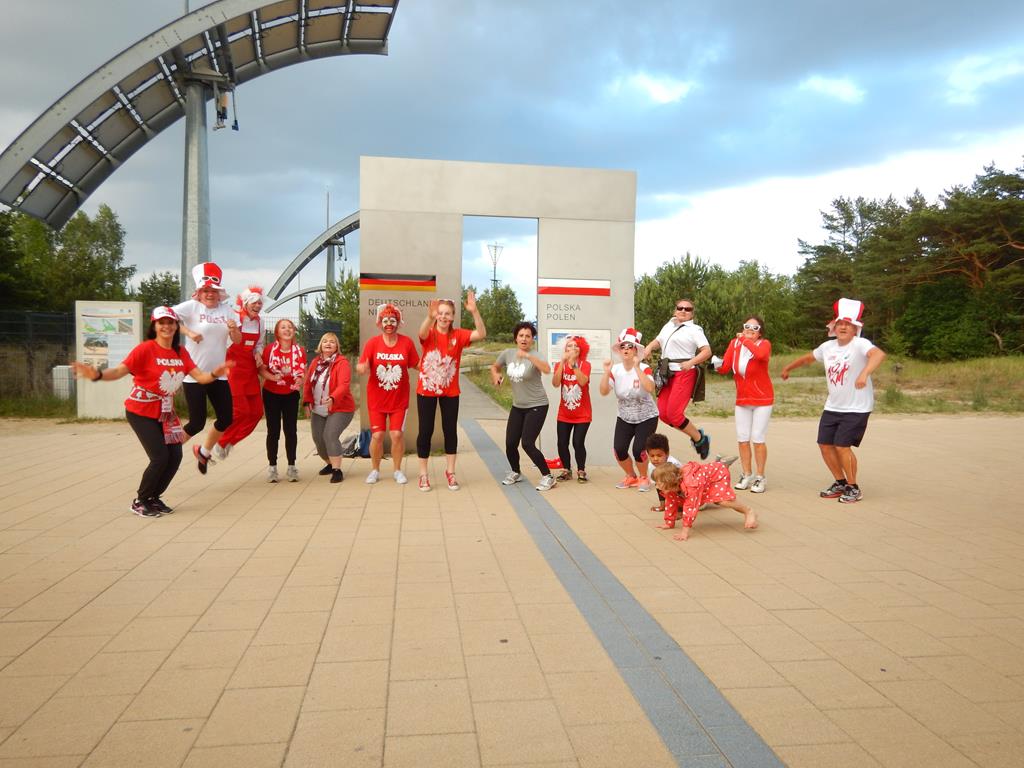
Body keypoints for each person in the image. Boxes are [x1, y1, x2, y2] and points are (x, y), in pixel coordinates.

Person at [70, 307, 232, 517]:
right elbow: (119, 371)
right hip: (141, 411)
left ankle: (154, 498)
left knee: (175, 456)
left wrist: (215, 373)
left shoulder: (181, 352)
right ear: (154, 326)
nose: (166, 326)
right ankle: (140, 500)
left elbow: (200, 377)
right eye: (161, 323)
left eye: (170, 322)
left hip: (165, 413)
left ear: (176, 326)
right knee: (160, 457)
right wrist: (97, 375)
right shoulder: (145, 349)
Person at [781, 298, 887, 504]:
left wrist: (864, 373)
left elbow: (878, 355)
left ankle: (853, 487)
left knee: (842, 446)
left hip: (857, 407)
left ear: (855, 328)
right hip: (833, 406)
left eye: (848, 324)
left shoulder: (860, 344)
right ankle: (840, 482)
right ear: (834, 327)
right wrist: (788, 368)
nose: (843, 327)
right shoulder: (827, 347)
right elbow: (807, 358)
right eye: (840, 324)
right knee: (824, 444)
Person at [173, 262, 240, 475]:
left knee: (226, 418)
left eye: (214, 291)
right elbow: (165, 318)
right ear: (199, 293)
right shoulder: (191, 307)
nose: (210, 294)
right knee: (196, 423)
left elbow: (237, 340)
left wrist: (233, 330)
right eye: (206, 291)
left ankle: (203, 451)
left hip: (218, 375)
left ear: (220, 294)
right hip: (195, 375)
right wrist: (189, 332)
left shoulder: (227, 310)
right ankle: (168, 451)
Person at [415, 292, 486, 491]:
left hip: (450, 391)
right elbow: (421, 333)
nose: (443, 317)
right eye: (440, 313)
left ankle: (451, 472)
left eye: (447, 313)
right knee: (425, 431)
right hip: (426, 390)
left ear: (453, 316)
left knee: (450, 431)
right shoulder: (430, 332)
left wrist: (475, 311)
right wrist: (429, 317)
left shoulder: (458, 335)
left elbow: (481, 334)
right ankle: (423, 475)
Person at [357, 303, 420, 485]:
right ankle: (375, 470)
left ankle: (397, 470)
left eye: (392, 320)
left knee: (396, 435)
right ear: (380, 323)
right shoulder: (372, 343)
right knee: (377, 436)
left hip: (399, 399)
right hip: (377, 399)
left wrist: (431, 366)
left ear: (398, 323)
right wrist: (361, 368)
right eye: (385, 321)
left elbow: (416, 364)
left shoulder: (406, 342)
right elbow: (362, 364)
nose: (389, 324)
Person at [642, 298, 712, 460]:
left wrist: (691, 362)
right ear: (675, 310)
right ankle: (696, 435)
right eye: (680, 308)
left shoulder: (695, 329)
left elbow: (707, 351)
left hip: (683, 372)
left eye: (688, 309)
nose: (683, 311)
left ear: (692, 313)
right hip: (667, 372)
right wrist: (649, 347)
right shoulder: (669, 324)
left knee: (674, 414)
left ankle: (700, 439)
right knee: (663, 414)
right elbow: (659, 340)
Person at [492, 321, 555, 492]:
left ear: (532, 339)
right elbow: (495, 367)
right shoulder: (508, 353)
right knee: (510, 443)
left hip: (538, 405)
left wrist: (529, 357)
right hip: (518, 406)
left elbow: (547, 369)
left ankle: (548, 476)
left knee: (527, 443)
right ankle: (515, 472)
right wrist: (496, 375)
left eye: (528, 336)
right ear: (516, 338)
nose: (524, 339)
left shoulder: (537, 355)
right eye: (521, 335)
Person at [714, 315, 774, 493]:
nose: (749, 329)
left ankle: (760, 477)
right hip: (742, 399)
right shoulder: (735, 343)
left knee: (758, 438)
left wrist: (744, 340)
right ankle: (746, 474)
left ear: (760, 332)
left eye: (755, 328)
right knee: (742, 438)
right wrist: (716, 365)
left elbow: (760, 355)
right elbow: (725, 367)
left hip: (762, 399)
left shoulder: (764, 344)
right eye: (747, 326)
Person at [599, 328, 660, 491]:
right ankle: (631, 476)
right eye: (623, 346)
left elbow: (650, 388)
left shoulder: (644, 367)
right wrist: (606, 372)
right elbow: (603, 391)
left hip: (647, 417)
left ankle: (644, 477)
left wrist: (637, 368)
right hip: (625, 417)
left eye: (630, 346)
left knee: (639, 449)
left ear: (636, 350)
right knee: (619, 449)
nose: (626, 349)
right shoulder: (615, 370)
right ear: (619, 350)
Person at [212, 286, 266, 463]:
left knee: (256, 413)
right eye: (254, 303)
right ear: (245, 303)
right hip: (233, 371)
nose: (257, 306)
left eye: (260, 303)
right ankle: (220, 441)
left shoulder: (261, 322)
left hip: (250, 370)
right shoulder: (234, 318)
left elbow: (259, 343)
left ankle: (228, 443)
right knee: (241, 411)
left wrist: (258, 353)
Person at [652, 461, 758, 541]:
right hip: (705, 481)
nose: (656, 486)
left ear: (669, 482)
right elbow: (670, 502)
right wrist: (669, 523)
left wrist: (684, 532)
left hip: (717, 474)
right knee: (676, 497)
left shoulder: (691, 485)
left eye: (658, 483)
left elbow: (691, 507)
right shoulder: (672, 487)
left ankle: (748, 511)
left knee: (722, 501)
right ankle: (723, 462)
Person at [302, 332, 355, 484]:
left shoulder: (342, 362)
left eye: (332, 341)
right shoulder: (315, 362)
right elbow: (308, 384)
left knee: (330, 435)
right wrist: (306, 402)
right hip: (318, 408)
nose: (328, 344)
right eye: (325, 341)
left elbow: (344, 385)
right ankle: (330, 464)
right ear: (321, 345)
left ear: (337, 346)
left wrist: (333, 398)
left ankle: (337, 470)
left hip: (340, 408)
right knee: (318, 439)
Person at [261, 318, 306, 482]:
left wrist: (300, 380)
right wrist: (273, 377)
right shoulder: (269, 350)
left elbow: (302, 372)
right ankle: (272, 467)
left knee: (291, 430)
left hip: (290, 393)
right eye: (283, 327)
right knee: (273, 431)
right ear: (277, 332)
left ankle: (291, 466)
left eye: (290, 327)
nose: (287, 330)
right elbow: (261, 370)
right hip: (271, 393)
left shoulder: (299, 350)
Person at [551, 335, 592, 483]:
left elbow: (582, 381)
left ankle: (581, 470)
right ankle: (566, 469)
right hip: (564, 413)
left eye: (576, 346)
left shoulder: (585, 365)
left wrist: (574, 365)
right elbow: (555, 383)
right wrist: (562, 363)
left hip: (582, 413)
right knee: (562, 443)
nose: (573, 348)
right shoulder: (559, 365)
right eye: (570, 346)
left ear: (581, 350)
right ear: (565, 349)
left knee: (577, 442)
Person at [644, 432, 681, 515]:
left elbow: (680, 488)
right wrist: (662, 505)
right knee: (660, 484)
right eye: (652, 456)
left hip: (687, 490)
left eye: (659, 455)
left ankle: (680, 509)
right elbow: (658, 486)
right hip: (672, 490)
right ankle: (663, 505)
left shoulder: (673, 464)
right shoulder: (651, 466)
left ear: (667, 453)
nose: (655, 459)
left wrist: (679, 510)